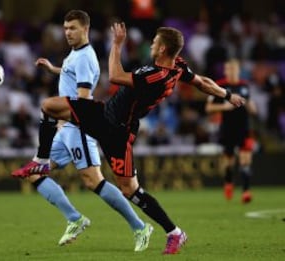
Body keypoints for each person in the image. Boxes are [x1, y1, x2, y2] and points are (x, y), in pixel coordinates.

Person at [14, 22, 245, 254]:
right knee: (49, 106)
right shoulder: (178, 67)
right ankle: (42, 162)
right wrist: (227, 94)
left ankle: (174, 232)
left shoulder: (156, 75)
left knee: (130, 190)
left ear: (163, 49)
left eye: (155, 42)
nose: (151, 45)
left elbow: (115, 76)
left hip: (118, 132)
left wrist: (116, 45)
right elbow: (202, 82)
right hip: (103, 114)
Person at [12, 10, 152, 251]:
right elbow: (71, 72)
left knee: (93, 181)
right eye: (65, 28)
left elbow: (84, 100)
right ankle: (75, 219)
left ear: (85, 29)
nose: (67, 33)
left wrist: (64, 116)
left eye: (73, 28)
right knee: (34, 174)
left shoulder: (86, 57)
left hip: (78, 128)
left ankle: (140, 226)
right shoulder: (74, 55)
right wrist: (54, 69)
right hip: (65, 129)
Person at [205, 59, 257, 203]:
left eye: (234, 69)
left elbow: (252, 106)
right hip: (227, 128)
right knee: (229, 162)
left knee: (245, 160)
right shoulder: (220, 86)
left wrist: (252, 108)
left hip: (244, 127)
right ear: (226, 71)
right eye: (229, 69)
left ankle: (246, 191)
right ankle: (228, 182)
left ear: (238, 70)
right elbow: (208, 108)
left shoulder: (244, 86)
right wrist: (225, 108)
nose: (231, 72)